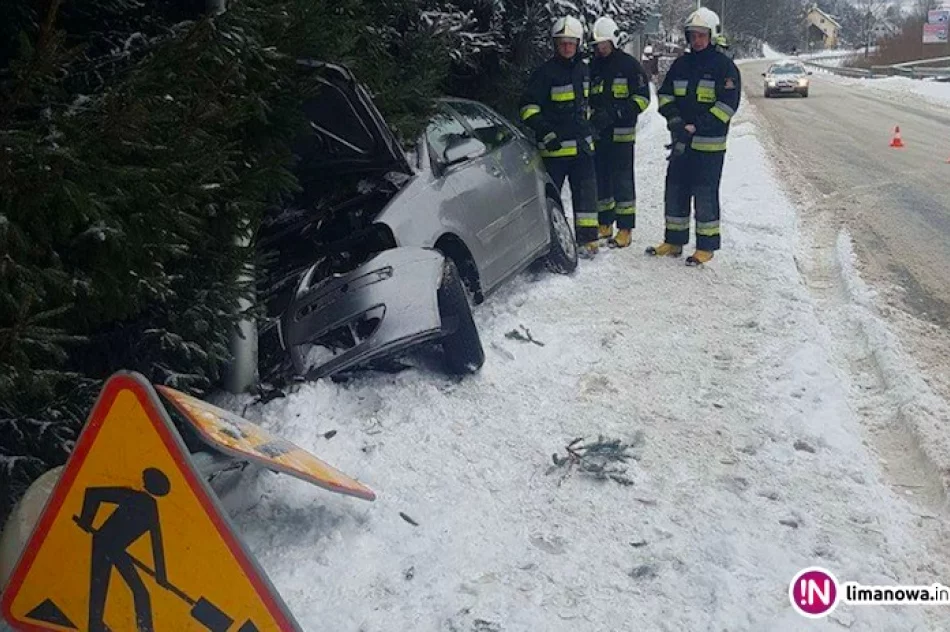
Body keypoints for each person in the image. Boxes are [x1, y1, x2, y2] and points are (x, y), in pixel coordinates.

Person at [647, 7, 741, 266]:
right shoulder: (681, 64)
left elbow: (727, 106)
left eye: (702, 35)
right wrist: (675, 120)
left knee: (705, 195)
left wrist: (697, 126)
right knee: (675, 190)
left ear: (711, 36)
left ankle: (706, 246)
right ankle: (674, 241)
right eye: (693, 35)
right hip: (682, 143)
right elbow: (665, 96)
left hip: (708, 147)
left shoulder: (725, 68)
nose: (697, 40)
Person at [519, 16, 600, 258]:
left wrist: (594, 126)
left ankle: (588, 241)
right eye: (562, 43)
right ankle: (553, 243)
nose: (566, 47)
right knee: (551, 200)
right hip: (555, 150)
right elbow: (527, 107)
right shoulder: (544, 73)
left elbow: (590, 103)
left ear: (578, 44)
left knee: (586, 196)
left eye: (570, 43)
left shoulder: (585, 70)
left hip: (582, 148)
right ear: (555, 45)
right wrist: (545, 131)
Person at [589, 16, 652, 248]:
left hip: (622, 135)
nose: (601, 48)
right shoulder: (592, 67)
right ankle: (605, 223)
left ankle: (625, 229)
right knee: (601, 180)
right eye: (597, 45)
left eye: (604, 44)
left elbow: (643, 98)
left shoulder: (629, 66)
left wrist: (617, 113)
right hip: (599, 135)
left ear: (613, 41)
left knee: (623, 181)